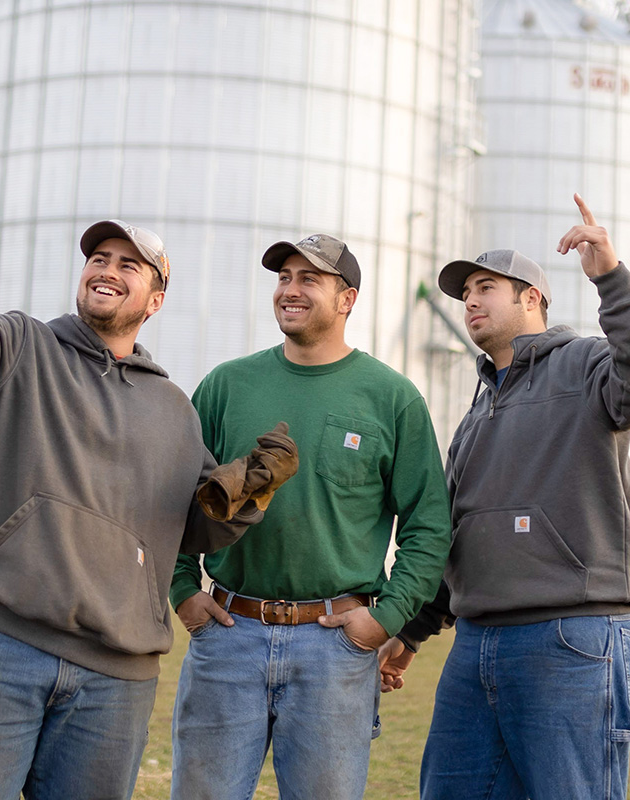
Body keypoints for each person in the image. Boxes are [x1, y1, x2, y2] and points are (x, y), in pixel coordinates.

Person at [0, 192, 287, 800]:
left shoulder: (173, 411)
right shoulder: (20, 348)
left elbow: (193, 529)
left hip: (115, 680)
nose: (106, 270)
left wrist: (249, 491)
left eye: (127, 265)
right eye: (98, 257)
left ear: (156, 299)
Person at [380, 194, 630, 800]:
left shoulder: (586, 364)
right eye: (465, 291)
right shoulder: (475, 414)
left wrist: (612, 281)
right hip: (477, 646)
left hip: (571, 639)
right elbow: (457, 533)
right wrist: (410, 632)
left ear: (532, 299)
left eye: (486, 286)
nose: (470, 300)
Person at [168, 233, 453, 799]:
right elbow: (172, 497)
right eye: (283, 278)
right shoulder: (227, 386)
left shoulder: (391, 398)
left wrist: (387, 618)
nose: (290, 290)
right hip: (227, 635)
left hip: (335, 646)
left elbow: (428, 525)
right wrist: (181, 588)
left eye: (309, 280)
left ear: (346, 299)